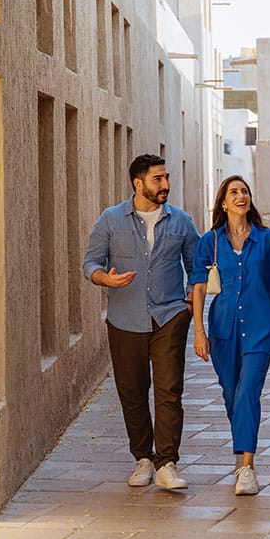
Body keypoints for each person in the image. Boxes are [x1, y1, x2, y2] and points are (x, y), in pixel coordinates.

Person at [83, 153, 201, 491]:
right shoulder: (110, 219)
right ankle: (143, 458)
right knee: (132, 393)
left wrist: (193, 298)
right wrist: (104, 278)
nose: (165, 185)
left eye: (166, 178)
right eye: (158, 179)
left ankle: (167, 462)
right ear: (139, 183)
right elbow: (90, 262)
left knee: (169, 391)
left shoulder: (181, 222)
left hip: (169, 317)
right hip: (124, 319)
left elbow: (196, 266)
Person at [189, 175, 270, 496]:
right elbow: (198, 287)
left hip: (262, 328)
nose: (241, 195)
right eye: (233, 192)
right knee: (230, 394)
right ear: (223, 203)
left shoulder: (266, 240)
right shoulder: (209, 241)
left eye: (245, 191)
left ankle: (248, 468)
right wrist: (198, 331)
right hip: (223, 330)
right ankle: (241, 459)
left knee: (247, 392)